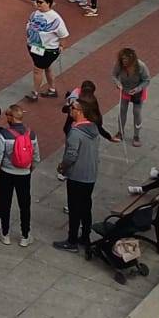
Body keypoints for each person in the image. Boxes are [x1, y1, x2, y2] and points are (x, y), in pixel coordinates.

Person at [55, 97, 103, 252]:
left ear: (81, 111)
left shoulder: (75, 132)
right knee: (86, 206)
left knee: (74, 208)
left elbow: (71, 155)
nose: (70, 110)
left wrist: (62, 167)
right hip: (90, 174)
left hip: (77, 175)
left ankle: (72, 240)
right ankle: (85, 236)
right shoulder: (94, 129)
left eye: (73, 108)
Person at [0, 102, 36, 246]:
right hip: (24, 173)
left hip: (7, 172)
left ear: (11, 118)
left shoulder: (4, 134)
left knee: (6, 203)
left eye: (7, 115)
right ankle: (25, 235)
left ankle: (5, 234)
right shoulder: (31, 134)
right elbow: (35, 155)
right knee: (25, 204)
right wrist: (31, 167)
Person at [25, 0, 70, 99]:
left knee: (38, 69)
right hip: (34, 47)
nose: (38, 4)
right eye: (37, 2)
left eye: (40, 2)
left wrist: (62, 46)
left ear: (48, 3)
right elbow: (29, 24)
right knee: (47, 68)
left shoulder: (55, 18)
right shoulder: (35, 13)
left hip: (47, 50)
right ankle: (52, 89)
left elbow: (64, 35)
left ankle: (35, 93)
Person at [113, 48, 151, 145]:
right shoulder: (119, 65)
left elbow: (146, 80)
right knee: (122, 110)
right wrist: (118, 83)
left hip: (137, 91)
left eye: (126, 59)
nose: (124, 62)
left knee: (137, 112)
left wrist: (138, 89)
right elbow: (114, 75)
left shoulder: (141, 66)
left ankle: (136, 136)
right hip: (125, 89)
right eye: (122, 59)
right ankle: (120, 132)